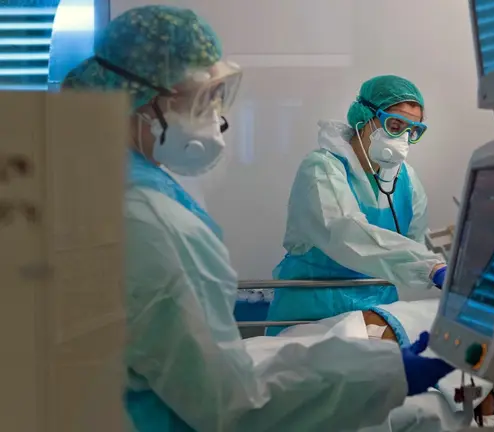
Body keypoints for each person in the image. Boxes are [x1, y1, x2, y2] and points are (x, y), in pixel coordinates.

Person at [62, 6, 453, 431]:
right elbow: (230, 399)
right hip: (311, 319)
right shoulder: (151, 218)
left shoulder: (126, 188)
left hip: (377, 316)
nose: (218, 118)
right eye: (203, 98)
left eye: (220, 98)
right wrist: (382, 377)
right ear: (144, 98)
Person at [266, 75, 447, 335]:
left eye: (413, 130)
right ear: (364, 118)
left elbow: (415, 244)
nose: (404, 138)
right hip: (310, 316)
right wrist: (430, 266)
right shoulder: (321, 168)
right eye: (395, 125)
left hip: (378, 318)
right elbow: (344, 232)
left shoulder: (407, 180)